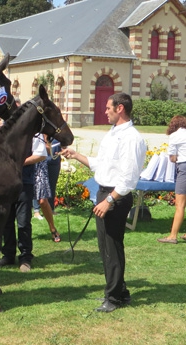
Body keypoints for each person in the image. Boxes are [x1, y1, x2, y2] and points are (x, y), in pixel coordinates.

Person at [61, 92, 146, 313]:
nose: (104, 111)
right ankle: (120, 291)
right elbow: (101, 165)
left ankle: (114, 298)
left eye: (108, 108)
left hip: (115, 197)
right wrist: (75, 154)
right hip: (105, 194)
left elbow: (128, 177)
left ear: (120, 108)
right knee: (105, 248)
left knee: (112, 248)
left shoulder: (131, 137)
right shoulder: (112, 133)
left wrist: (109, 200)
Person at [0, 129, 48, 272]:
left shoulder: (33, 133)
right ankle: (8, 255)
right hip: (5, 182)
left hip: (24, 182)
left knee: (23, 221)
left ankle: (25, 257)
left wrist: (19, 163)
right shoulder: (3, 130)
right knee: (7, 221)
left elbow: (41, 154)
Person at [157, 115, 186, 244]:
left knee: (180, 204)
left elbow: (172, 158)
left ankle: (173, 236)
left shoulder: (175, 136)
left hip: (184, 167)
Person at [33, 135, 62, 242]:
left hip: (40, 163)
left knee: (43, 200)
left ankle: (52, 228)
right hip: (27, 163)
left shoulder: (45, 130)